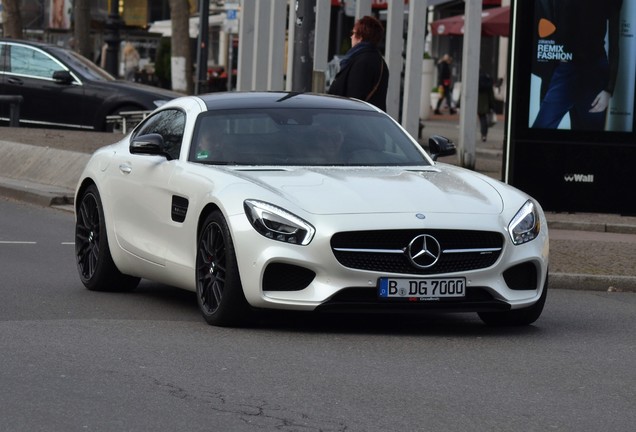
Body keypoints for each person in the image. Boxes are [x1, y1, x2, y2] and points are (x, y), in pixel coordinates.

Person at [531, 0, 623, 130]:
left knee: (589, 137)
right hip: (566, 68)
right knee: (542, 129)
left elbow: (614, 41)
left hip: (593, 71)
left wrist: (609, 89)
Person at [327, 16, 389, 111]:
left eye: (353, 33)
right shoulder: (379, 61)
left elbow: (354, 99)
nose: (351, 36)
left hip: (354, 120)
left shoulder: (362, 62)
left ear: (360, 36)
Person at [477, 70, 496, 142]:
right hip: (486, 102)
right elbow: (491, 95)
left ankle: (482, 134)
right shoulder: (488, 81)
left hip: (478, 101)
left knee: (481, 118)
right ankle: (484, 135)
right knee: (484, 119)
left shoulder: (476, 80)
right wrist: (493, 106)